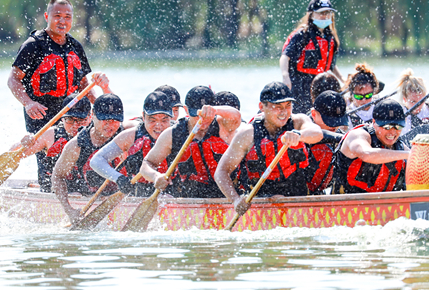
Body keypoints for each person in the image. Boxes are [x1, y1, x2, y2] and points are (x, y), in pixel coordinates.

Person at [7, 0, 96, 188]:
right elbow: (13, 79)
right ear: (47, 17)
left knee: (78, 153)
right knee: (47, 158)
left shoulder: (76, 46)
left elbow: (83, 84)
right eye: (57, 16)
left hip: (72, 113)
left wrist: (98, 106)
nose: (62, 21)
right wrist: (28, 103)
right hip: (40, 111)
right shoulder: (33, 45)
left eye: (67, 17)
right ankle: (48, 190)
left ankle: (77, 189)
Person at [214, 82, 323, 215]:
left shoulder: (298, 122)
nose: (284, 112)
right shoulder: (247, 134)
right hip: (261, 202)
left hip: (298, 197)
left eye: (288, 105)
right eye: (277, 107)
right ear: (262, 107)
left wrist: (299, 135)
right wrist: (236, 200)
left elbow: (317, 133)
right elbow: (221, 172)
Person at [140, 86, 242, 198]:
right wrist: (155, 176)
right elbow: (147, 164)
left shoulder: (224, 126)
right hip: (188, 198)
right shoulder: (173, 134)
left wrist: (214, 110)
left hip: (227, 197)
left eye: (206, 115)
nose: (202, 119)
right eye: (196, 115)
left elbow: (236, 116)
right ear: (186, 110)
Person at [52, 91, 124, 225]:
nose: (110, 126)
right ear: (93, 116)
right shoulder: (75, 145)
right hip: (87, 193)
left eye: (115, 121)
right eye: (105, 120)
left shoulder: (127, 137)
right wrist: (69, 210)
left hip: (120, 194)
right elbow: (57, 176)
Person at [90, 91, 174, 197]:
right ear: (143, 116)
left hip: (173, 193)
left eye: (164, 120)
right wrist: (118, 178)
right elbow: (96, 161)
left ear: (171, 118)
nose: (158, 126)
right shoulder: (131, 136)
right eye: (152, 120)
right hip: (139, 194)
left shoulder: (179, 135)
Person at [9, 93, 92, 192]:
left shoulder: (99, 134)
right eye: (69, 119)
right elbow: (12, 155)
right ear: (62, 117)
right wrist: (24, 143)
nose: (75, 125)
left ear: (90, 116)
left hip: (88, 192)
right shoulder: (50, 135)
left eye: (81, 120)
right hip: (55, 192)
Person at [280, 0, 343, 114]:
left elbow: (331, 65)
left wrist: (343, 80)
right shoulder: (302, 35)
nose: (324, 16)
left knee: (321, 112)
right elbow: (285, 57)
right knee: (303, 112)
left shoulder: (330, 37)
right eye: (321, 13)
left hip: (320, 83)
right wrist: (285, 76)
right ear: (311, 14)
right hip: (300, 84)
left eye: (327, 13)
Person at [331, 99, 409, 194]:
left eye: (398, 127)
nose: (393, 132)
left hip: (384, 206)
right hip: (347, 204)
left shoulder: (401, 147)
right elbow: (366, 154)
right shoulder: (358, 135)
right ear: (374, 122)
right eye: (387, 127)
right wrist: (410, 155)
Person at [306, 90, 347, 194]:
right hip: (296, 191)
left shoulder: (341, 137)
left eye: (337, 121)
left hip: (323, 192)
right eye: (329, 120)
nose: (333, 125)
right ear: (313, 114)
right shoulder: (301, 127)